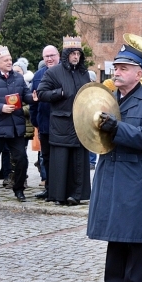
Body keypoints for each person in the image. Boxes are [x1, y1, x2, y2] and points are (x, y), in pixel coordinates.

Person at [89, 42, 142, 282]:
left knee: (133, 235)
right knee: (115, 232)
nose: (117, 72)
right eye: (116, 67)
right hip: (110, 170)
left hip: (133, 175)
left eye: (124, 68)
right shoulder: (108, 98)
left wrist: (116, 128)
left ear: (140, 72)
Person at [37, 37, 92, 205]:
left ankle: (76, 195)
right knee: (61, 161)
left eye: (78, 54)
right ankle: (59, 195)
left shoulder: (84, 73)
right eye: (73, 54)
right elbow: (41, 93)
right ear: (66, 55)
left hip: (79, 123)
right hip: (61, 124)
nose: (76, 57)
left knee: (78, 161)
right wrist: (59, 93)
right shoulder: (53, 72)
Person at [0, 46, 34, 202]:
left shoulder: (18, 78)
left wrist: (33, 98)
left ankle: (19, 189)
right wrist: (0, 108)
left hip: (15, 126)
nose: (9, 62)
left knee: (21, 159)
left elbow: (25, 95)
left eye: (10, 59)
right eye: (5, 60)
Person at [30, 46, 57, 199]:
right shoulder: (38, 75)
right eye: (46, 56)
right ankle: (49, 188)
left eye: (52, 55)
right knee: (46, 158)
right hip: (44, 124)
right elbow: (33, 101)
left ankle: (60, 189)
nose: (49, 59)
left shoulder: (64, 73)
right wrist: (36, 121)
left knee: (59, 158)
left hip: (61, 125)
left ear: (58, 55)